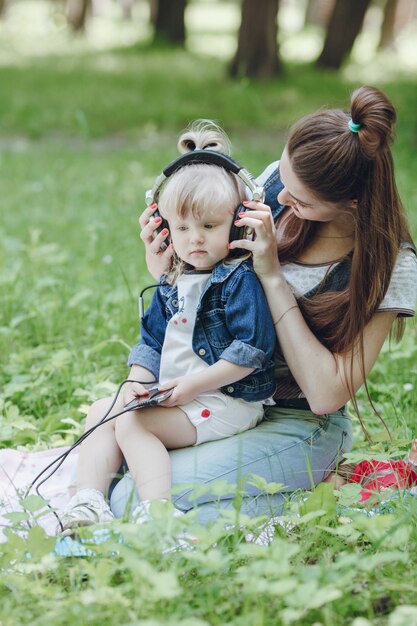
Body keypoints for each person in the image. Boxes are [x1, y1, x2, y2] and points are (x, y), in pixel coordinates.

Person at [109, 86, 417, 524]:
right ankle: (309, 490)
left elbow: (328, 393)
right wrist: (169, 269)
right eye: (283, 181)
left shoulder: (392, 265)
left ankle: (319, 490)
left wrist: (272, 276)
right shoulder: (275, 183)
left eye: (302, 201)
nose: (282, 200)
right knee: (118, 458)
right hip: (216, 397)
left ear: (351, 202)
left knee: (135, 498)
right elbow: (211, 284)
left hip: (299, 423)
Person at [59, 124, 276, 530]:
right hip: (182, 396)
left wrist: (190, 387)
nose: (195, 239)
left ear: (237, 223)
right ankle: (88, 501)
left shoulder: (238, 281)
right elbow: (151, 344)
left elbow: (252, 350)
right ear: (164, 227)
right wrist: (135, 384)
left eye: (209, 227)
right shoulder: (172, 282)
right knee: (102, 411)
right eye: (182, 229)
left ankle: (157, 514)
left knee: (133, 422)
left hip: (227, 399)